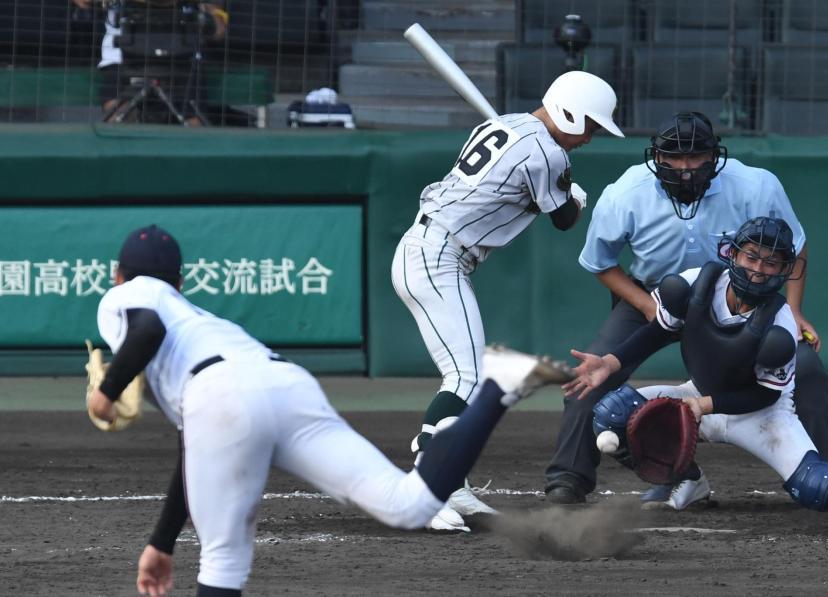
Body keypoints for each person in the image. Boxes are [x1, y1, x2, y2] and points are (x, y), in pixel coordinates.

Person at [87, 224, 572, 597]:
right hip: (283, 382)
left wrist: (106, 390)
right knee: (409, 504)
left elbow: (146, 328)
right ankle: (497, 388)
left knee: (223, 561)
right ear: (181, 279)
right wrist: (162, 543)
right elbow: (192, 451)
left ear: (117, 274)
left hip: (217, 395)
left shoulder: (130, 294)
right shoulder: (202, 319)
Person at [544, 111, 828, 505]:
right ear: (655, 157)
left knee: (805, 369)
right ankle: (569, 478)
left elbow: (793, 247)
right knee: (596, 372)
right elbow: (599, 261)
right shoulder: (624, 193)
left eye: (694, 158)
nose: (684, 168)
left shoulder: (755, 186)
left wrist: (793, 309)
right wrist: (644, 304)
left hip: (741, 299)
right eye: (672, 158)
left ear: (714, 156)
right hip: (653, 295)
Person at [563, 217, 828, 513]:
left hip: (761, 414)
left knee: (826, 490)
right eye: (752, 256)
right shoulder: (692, 284)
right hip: (696, 393)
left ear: (785, 270)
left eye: (771, 263)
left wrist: (704, 408)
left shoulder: (779, 328)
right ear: (732, 254)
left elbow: (763, 392)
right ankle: (687, 480)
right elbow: (656, 331)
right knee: (612, 415)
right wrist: (610, 362)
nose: (758, 268)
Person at [391, 70, 624, 530]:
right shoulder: (548, 155)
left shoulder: (508, 126)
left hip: (431, 250)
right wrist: (573, 197)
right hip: (438, 255)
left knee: (465, 376)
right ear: (568, 112)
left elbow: (519, 192)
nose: (591, 137)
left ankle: (449, 482)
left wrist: (560, 191)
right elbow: (563, 220)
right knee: (465, 376)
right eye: (590, 126)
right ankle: (426, 483)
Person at [70, 0, 228, 124]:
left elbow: (219, 29)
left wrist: (209, 19)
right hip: (122, 58)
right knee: (118, 114)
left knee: (193, 120)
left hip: (183, 59)